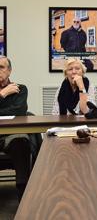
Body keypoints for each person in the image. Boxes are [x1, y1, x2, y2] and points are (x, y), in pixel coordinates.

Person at [0, 56, 31, 200]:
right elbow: (12, 111)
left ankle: (23, 193)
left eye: (1, 67)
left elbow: (19, 111)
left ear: (9, 71)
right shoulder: (7, 91)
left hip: (11, 135)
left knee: (20, 139)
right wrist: (3, 94)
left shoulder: (20, 88)